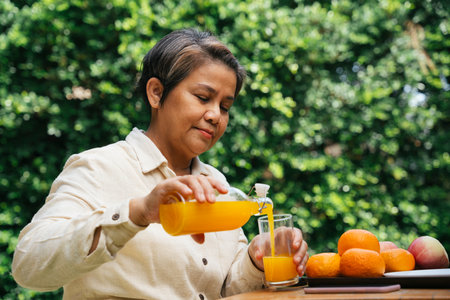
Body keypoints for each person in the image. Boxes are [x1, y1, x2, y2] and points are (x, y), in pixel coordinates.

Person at [12, 28, 308, 299]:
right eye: (203, 97)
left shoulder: (215, 183)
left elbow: (226, 288)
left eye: (225, 106)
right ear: (156, 93)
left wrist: (255, 261)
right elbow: (27, 265)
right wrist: (137, 213)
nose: (216, 115)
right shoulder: (98, 167)